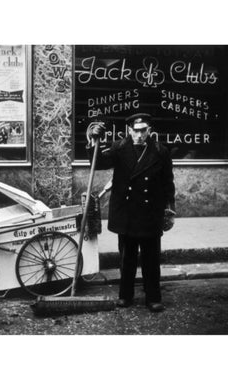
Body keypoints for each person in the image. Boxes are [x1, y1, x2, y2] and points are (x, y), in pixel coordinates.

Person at [87, 113, 176, 312]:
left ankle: (153, 297)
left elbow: (168, 182)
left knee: (151, 259)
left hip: (150, 212)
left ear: (149, 130)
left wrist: (170, 208)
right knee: (127, 258)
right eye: (135, 130)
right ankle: (125, 296)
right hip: (126, 212)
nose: (139, 135)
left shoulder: (161, 151)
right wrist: (94, 140)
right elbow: (98, 162)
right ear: (129, 130)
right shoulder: (119, 147)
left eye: (143, 130)